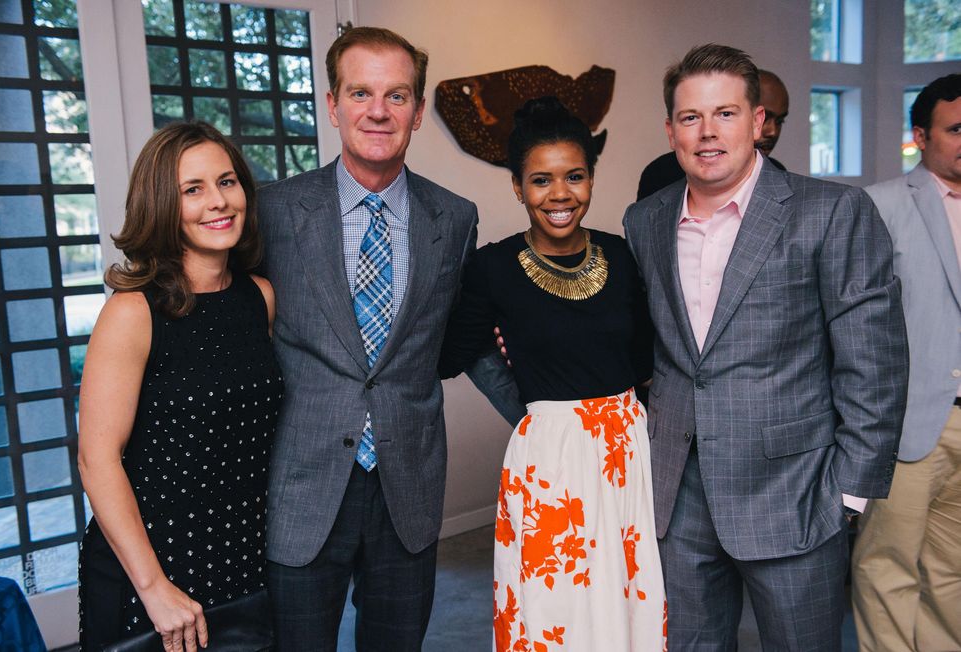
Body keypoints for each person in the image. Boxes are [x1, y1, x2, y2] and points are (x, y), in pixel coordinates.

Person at [623, 44, 908, 650]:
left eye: (725, 113)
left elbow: (874, 363)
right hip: (678, 495)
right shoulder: (644, 220)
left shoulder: (831, 212)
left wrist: (849, 493)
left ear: (758, 122)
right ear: (670, 128)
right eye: (690, 117)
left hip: (798, 493)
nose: (707, 132)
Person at [256, 27, 478, 650]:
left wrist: (547, 410)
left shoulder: (454, 217)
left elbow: (460, 332)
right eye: (360, 92)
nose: (378, 110)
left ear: (418, 110)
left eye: (396, 95)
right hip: (302, 485)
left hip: (407, 485)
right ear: (332, 104)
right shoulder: (272, 211)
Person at [440, 96, 666, 651]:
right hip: (549, 459)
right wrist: (529, 408)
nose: (560, 195)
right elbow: (452, 355)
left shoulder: (624, 254)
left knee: (626, 594)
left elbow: (646, 360)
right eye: (541, 180)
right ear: (518, 187)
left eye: (575, 177)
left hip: (627, 451)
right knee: (554, 606)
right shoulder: (492, 267)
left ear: (591, 179)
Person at [77, 121, 282, 651]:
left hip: (243, 565)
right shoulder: (132, 312)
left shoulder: (260, 297)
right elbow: (97, 458)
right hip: (150, 573)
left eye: (227, 181)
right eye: (193, 190)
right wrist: (154, 589)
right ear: (162, 206)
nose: (218, 201)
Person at [852, 73, 961, 652]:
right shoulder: (881, 204)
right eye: (957, 128)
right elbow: (857, 327)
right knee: (887, 566)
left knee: (952, 575)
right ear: (921, 135)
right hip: (908, 421)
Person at [636, 68, 789, 201]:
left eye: (780, 121)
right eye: (691, 118)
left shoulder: (778, 176)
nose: (772, 132)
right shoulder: (661, 174)